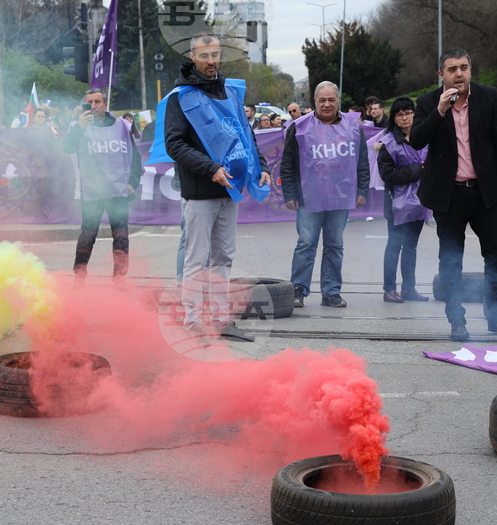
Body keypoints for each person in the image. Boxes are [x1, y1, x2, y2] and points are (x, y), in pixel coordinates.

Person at [409, 47, 497, 342]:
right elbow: (417, 141)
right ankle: (457, 321)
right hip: (449, 197)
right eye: (452, 69)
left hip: (486, 194)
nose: (459, 73)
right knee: (450, 261)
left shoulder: (488, 96)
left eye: (463, 67)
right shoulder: (427, 102)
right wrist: (440, 110)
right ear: (441, 75)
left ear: (470, 70)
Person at [163, 32, 272, 341]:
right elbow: (175, 144)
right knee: (196, 260)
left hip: (230, 190)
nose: (211, 61)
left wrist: (261, 167)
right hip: (200, 191)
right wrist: (210, 169)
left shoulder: (230, 92)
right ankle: (193, 321)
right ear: (193, 57)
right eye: (204, 56)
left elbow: (246, 136)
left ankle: (223, 320)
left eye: (215, 55)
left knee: (224, 257)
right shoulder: (180, 97)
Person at [281, 81, 369, 308]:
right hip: (308, 197)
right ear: (314, 102)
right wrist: (289, 193)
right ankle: (297, 290)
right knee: (306, 243)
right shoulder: (299, 127)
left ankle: (331, 292)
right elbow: (288, 163)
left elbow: (362, 161)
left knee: (335, 245)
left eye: (331, 99)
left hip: (340, 197)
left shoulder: (353, 127)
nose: (327, 104)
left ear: (339, 101)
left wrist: (361, 190)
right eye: (322, 100)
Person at [64, 88, 142, 286]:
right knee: (88, 234)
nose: (93, 106)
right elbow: (67, 147)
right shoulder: (79, 126)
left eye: (97, 101)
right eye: (89, 102)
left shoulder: (122, 126)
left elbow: (135, 157)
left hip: (117, 190)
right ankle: (79, 276)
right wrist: (79, 128)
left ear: (105, 104)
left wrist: (133, 182)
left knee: (121, 236)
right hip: (92, 190)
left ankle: (119, 278)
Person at [378, 96, 429, 303]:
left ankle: (409, 288)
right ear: (394, 118)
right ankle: (389, 289)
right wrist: (419, 169)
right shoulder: (389, 143)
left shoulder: (424, 138)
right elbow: (388, 175)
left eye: (408, 113)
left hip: (420, 201)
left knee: (411, 246)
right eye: (400, 114)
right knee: (394, 245)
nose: (405, 117)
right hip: (396, 202)